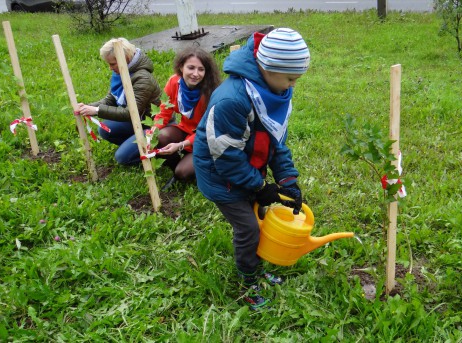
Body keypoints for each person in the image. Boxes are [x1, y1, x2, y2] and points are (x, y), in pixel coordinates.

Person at [193, 28, 310, 310]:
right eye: (291, 78)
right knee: (248, 228)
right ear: (267, 68)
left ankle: (255, 270)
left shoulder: (271, 91)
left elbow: (275, 139)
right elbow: (227, 157)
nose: (293, 85)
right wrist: (259, 187)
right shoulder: (233, 99)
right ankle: (248, 282)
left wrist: (287, 179)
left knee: (259, 218)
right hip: (221, 175)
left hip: (245, 168)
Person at [77, 38, 161, 165]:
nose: (110, 68)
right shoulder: (122, 71)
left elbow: (130, 113)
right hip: (138, 121)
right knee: (105, 129)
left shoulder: (143, 78)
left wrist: (96, 110)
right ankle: (134, 147)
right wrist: (88, 107)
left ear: (125, 58)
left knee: (122, 158)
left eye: (112, 64)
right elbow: (111, 99)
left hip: (153, 126)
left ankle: (152, 151)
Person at [153, 47, 221, 190]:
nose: (195, 74)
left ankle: (203, 165)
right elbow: (164, 112)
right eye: (191, 68)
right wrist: (153, 130)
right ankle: (177, 163)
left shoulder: (211, 92)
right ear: (181, 67)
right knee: (160, 136)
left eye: (201, 69)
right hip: (186, 130)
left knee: (182, 173)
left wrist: (181, 144)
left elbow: (208, 130)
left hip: (206, 139)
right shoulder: (174, 82)